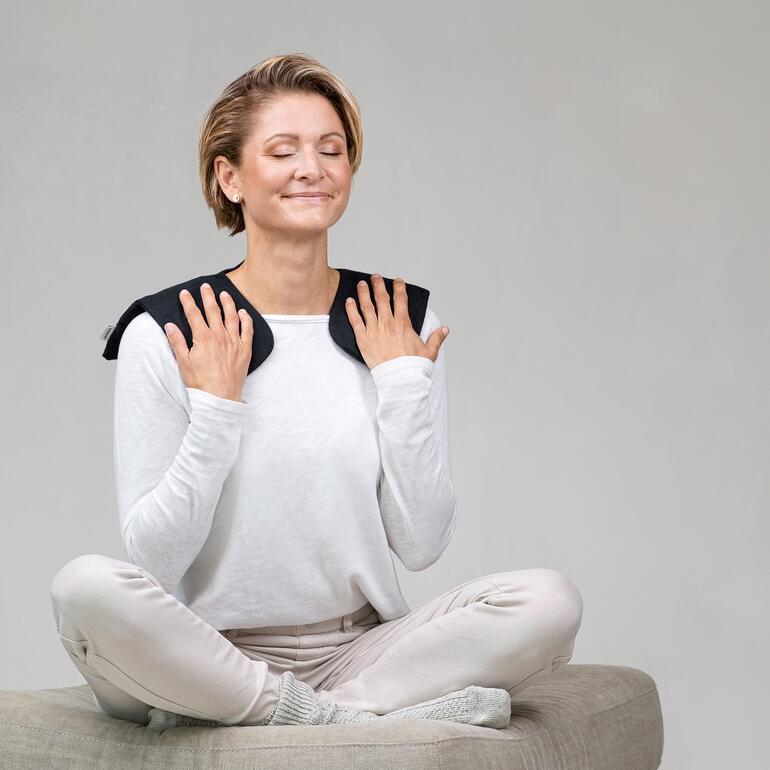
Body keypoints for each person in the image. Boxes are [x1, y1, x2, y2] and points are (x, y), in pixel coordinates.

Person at [49, 53, 583, 731]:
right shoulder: (171, 329)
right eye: (283, 151)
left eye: (332, 149)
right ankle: (346, 717)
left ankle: (321, 714)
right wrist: (215, 411)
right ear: (230, 176)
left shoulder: (398, 320)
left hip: (361, 650)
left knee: (549, 601)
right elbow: (153, 561)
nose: (313, 168)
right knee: (83, 588)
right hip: (207, 652)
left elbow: (420, 544)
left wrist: (400, 382)